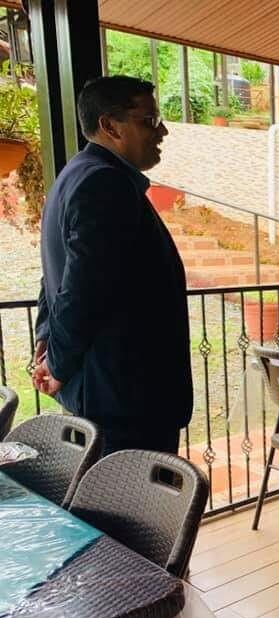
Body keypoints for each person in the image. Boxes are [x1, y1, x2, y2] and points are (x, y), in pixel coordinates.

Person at [32, 76, 191, 456]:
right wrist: (56, 361)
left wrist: (46, 343)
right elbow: (83, 289)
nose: (162, 131)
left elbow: (52, 277)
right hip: (124, 400)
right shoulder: (105, 183)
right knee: (136, 513)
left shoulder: (73, 176)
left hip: (105, 394)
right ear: (109, 125)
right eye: (149, 121)